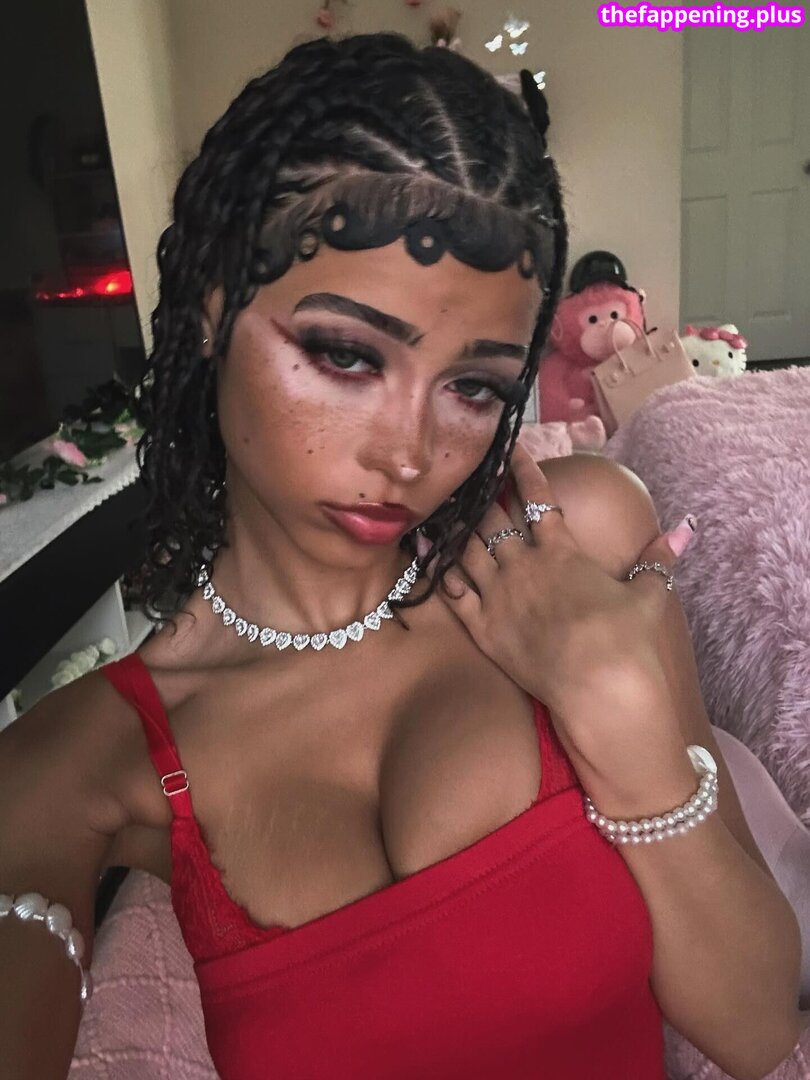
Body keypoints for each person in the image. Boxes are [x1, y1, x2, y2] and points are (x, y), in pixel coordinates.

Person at [0, 31, 803, 1080]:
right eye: (346, 355)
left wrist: (627, 722)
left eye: (474, 386)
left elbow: (756, 1027)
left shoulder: (582, 538)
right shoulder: (80, 760)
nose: (413, 454)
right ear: (209, 313)